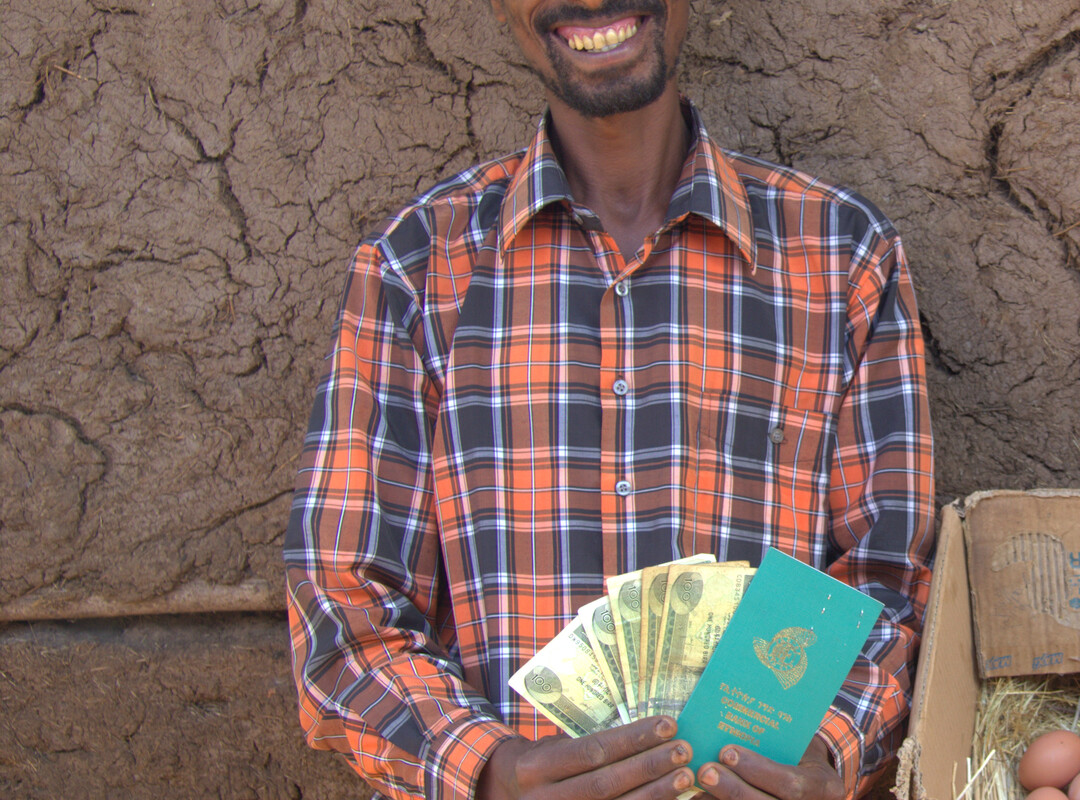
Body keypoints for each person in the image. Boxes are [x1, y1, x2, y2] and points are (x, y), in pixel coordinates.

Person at [282, 0, 934, 798]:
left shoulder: (840, 259)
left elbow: (890, 585)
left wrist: (830, 751)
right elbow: (346, 611)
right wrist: (487, 772)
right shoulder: (418, 270)